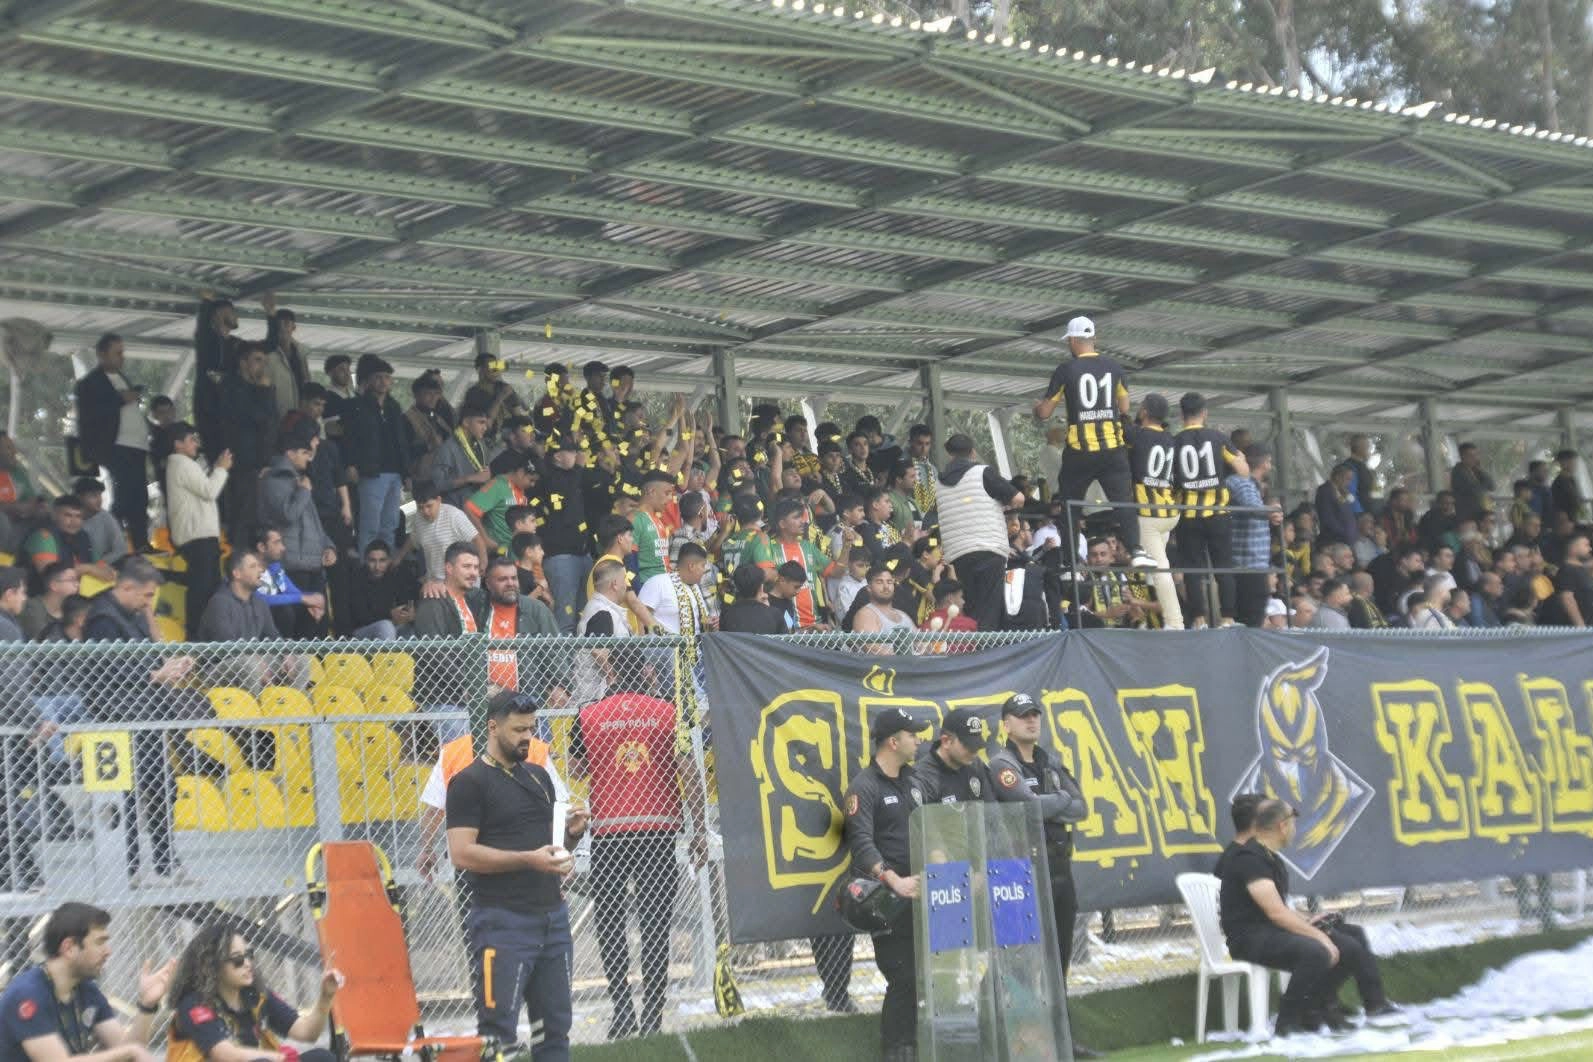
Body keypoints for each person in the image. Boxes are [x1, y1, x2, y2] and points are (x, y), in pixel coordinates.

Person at [570, 645, 706, 1039]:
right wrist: (698, 829)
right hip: (657, 829)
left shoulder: (588, 714)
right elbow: (688, 770)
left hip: (610, 832)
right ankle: (652, 1018)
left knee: (610, 923)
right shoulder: (669, 712)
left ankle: (622, 1012)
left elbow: (576, 769)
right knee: (655, 925)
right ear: (646, 672)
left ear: (610, 672)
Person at [446, 692, 590, 1059]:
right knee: (498, 1035)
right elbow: (461, 853)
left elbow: (549, 851)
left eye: (531, 728)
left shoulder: (539, 776)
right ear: (493, 727)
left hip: (552, 919)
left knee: (555, 1028)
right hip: (502, 920)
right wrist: (529, 859)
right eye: (519, 730)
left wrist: (571, 836)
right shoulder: (469, 782)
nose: (527, 737)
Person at [1218, 799, 1394, 1034]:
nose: (1295, 829)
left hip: (1270, 930)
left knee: (1349, 946)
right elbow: (1276, 913)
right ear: (1282, 826)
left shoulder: (1269, 857)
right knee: (1318, 951)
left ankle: (1314, 1009)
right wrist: (1320, 937)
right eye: (1292, 823)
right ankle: (1287, 1023)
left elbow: (1276, 908)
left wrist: (1311, 920)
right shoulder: (1249, 859)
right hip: (1249, 939)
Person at [84, 557, 205, 885]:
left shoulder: (133, 615)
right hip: (118, 717)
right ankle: (132, 867)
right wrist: (156, 674)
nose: (149, 602)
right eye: (147, 595)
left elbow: (150, 656)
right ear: (126, 587)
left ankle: (166, 862)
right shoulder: (102, 620)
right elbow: (107, 672)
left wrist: (170, 666)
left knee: (163, 787)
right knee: (127, 794)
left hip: (146, 713)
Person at [987, 693, 1094, 1056]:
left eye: (1035, 715)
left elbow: (1082, 807)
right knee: (1020, 963)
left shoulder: (1050, 760)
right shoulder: (1001, 763)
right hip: (1023, 874)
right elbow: (1027, 807)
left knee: (1057, 962)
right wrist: (1059, 801)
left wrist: (1050, 805)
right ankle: (1022, 1042)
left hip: (1060, 871)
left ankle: (1061, 1040)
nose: (1031, 721)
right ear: (1006, 724)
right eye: (1023, 716)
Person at [841, 709, 929, 1062]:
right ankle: (896, 1048)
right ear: (894, 741)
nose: (918, 740)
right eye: (912, 734)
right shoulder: (864, 787)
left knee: (922, 974)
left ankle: (916, 1043)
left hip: (922, 892)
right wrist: (894, 880)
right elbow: (861, 844)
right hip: (886, 900)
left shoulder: (915, 781)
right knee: (902, 973)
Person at [1031, 316, 1148, 565]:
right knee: (1123, 502)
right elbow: (1124, 408)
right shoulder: (1115, 368)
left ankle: (1071, 560)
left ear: (1073, 340)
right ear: (1094, 338)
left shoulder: (1066, 370)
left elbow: (1045, 413)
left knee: (1070, 505)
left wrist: (1037, 407)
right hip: (1113, 448)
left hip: (1080, 450)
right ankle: (1136, 550)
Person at [0, 902, 175, 1062]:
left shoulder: (86, 989)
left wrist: (147, 1006)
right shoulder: (27, 995)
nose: (108, 951)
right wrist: (130, 1051)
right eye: (99, 942)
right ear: (69, 948)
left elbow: (128, 1053)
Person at [166, 923, 340, 1062]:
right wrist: (279, 1057)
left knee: (322, 1057)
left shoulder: (255, 995)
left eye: (248, 955)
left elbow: (307, 1032)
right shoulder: (194, 1004)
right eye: (238, 959)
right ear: (212, 966)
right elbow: (226, 1055)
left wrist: (326, 996)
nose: (248, 963)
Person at [1172, 392, 1248, 628]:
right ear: (1204, 413)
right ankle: (1228, 618)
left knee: (1192, 570)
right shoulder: (1218, 438)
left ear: (1181, 414)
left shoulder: (1174, 442)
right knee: (1223, 568)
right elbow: (1243, 472)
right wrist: (1240, 457)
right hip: (1217, 514)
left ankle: (1198, 619)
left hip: (1187, 515)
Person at [935, 434, 1023, 632]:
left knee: (971, 605)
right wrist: (1001, 506)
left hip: (958, 554)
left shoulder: (939, 482)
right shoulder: (982, 472)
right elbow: (1018, 499)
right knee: (990, 607)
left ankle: (974, 644)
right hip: (988, 548)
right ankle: (986, 648)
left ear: (950, 454)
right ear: (973, 453)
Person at [256, 424, 338, 636]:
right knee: (297, 628)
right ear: (289, 453)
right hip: (291, 565)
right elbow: (287, 515)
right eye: (303, 453)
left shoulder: (300, 481)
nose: (308, 459)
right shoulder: (273, 480)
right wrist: (303, 492)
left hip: (313, 564)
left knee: (318, 628)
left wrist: (328, 546)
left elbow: (314, 523)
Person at [73, 333, 152, 552]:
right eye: (117, 353)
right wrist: (120, 399)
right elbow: (90, 414)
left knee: (140, 496)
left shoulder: (121, 378)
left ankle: (141, 543)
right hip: (116, 445)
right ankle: (111, 542)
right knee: (125, 496)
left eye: (122, 352)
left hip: (136, 445)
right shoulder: (89, 383)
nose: (122, 357)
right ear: (101, 354)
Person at [165, 423, 231, 639]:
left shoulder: (180, 465)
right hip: (198, 539)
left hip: (199, 538)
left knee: (207, 592)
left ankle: (204, 641)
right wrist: (221, 469)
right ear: (178, 444)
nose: (196, 444)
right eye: (191, 440)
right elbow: (209, 491)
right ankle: (197, 642)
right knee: (203, 594)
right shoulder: (182, 463)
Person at [1124, 393, 1182, 629]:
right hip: (1170, 511)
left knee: (1160, 570)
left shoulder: (1137, 435)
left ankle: (1174, 623)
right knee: (1154, 568)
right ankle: (1155, 617)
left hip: (1148, 514)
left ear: (1145, 412)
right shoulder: (1170, 439)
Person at [345, 356, 408, 552]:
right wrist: (351, 464)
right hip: (371, 471)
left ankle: (386, 565)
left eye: (387, 377)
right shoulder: (357, 405)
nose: (383, 381)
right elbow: (350, 438)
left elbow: (401, 441)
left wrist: (406, 473)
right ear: (369, 380)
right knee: (370, 525)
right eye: (378, 377)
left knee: (390, 524)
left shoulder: (394, 406)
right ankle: (366, 563)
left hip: (394, 472)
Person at [219, 341, 279, 546]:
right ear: (243, 363)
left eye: (264, 362)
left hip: (260, 463)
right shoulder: (232, 387)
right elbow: (257, 418)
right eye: (257, 360)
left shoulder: (259, 388)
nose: (262, 366)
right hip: (243, 464)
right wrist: (264, 392)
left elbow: (273, 422)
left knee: (259, 521)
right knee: (243, 519)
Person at [1228, 444, 1281, 628]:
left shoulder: (1250, 484)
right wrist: (1272, 511)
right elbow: (1251, 506)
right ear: (1265, 462)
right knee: (1251, 618)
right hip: (1247, 564)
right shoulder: (1240, 482)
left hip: (1253, 563)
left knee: (1254, 616)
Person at [20, 495, 113, 595]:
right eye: (68, 515)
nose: (74, 521)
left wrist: (90, 569)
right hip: (36, 596)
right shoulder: (43, 536)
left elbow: (109, 572)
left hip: (74, 597)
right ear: (54, 515)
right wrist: (87, 569)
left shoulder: (83, 538)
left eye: (78, 516)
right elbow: (52, 577)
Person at [400, 480, 487, 586]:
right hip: (435, 583)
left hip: (461, 581)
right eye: (421, 507)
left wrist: (483, 564)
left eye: (429, 506)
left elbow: (477, 539)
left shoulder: (454, 516)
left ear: (439, 500)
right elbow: (413, 540)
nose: (425, 511)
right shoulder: (418, 519)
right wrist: (398, 558)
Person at [340, 539, 416, 637]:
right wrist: (390, 614)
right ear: (365, 560)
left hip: (390, 626)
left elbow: (405, 601)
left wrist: (409, 613)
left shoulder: (395, 575)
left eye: (382, 561)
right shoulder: (356, 578)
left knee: (410, 629)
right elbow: (360, 616)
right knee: (386, 626)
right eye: (372, 561)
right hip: (360, 632)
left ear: (389, 560)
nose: (377, 566)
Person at [466, 457, 540, 555]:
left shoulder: (520, 488)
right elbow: (469, 509)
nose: (533, 485)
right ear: (521, 472)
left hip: (512, 552)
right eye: (531, 480)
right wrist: (485, 539)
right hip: (496, 552)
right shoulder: (498, 485)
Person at [462, 351, 526, 438]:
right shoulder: (473, 394)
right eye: (491, 366)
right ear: (480, 370)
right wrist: (500, 398)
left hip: (509, 438)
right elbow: (486, 423)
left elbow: (518, 415)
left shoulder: (503, 387)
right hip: (486, 439)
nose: (496, 370)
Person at [851, 564, 915, 648]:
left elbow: (922, 645)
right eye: (879, 582)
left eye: (889, 582)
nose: (886, 586)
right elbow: (875, 650)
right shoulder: (865, 614)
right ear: (869, 588)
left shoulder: (903, 615)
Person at [1541, 529, 1593, 627]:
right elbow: (1567, 598)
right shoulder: (1567, 570)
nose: (1590, 548)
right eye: (1586, 545)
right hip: (1575, 629)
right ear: (1573, 547)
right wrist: (1580, 627)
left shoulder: (1581, 570)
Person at [72, 479, 128, 569]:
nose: (99, 500)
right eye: (93, 496)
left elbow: (120, 549)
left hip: (107, 569)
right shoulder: (69, 522)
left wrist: (95, 567)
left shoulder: (105, 517)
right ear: (79, 498)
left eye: (100, 495)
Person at [716, 563, 783, 634]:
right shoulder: (775, 615)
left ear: (736, 587)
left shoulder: (726, 615)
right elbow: (786, 640)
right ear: (761, 587)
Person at [21, 561, 78, 642]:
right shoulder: (32, 608)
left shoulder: (73, 610)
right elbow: (43, 641)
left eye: (77, 580)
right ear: (54, 585)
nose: (77, 584)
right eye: (72, 580)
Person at [1315, 464, 1358, 546]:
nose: (1349, 483)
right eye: (1347, 479)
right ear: (1338, 477)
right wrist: (1343, 533)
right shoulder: (1325, 490)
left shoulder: (1341, 491)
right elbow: (1328, 517)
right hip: (1335, 539)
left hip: (1346, 539)